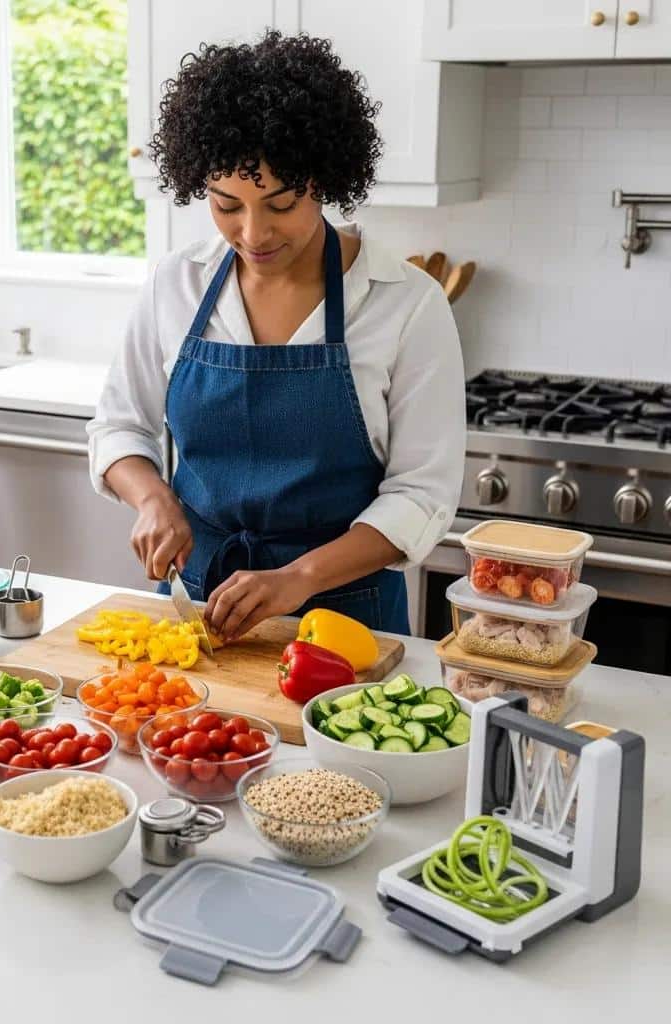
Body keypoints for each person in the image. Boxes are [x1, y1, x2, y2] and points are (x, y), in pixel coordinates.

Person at [87, 30, 465, 641]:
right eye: (226, 204)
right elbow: (118, 427)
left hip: (347, 622)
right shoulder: (174, 284)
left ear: (325, 178)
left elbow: (422, 496)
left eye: (281, 203)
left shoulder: (406, 303)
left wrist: (297, 577)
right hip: (196, 607)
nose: (254, 232)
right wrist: (153, 498)